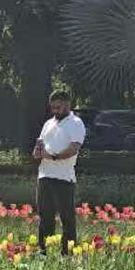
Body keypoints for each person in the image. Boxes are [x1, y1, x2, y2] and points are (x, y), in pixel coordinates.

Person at [32, 89, 86, 255]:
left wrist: (53, 156)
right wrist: (37, 152)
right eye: (53, 107)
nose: (55, 110)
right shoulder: (48, 123)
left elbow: (73, 149)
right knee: (45, 217)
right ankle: (44, 251)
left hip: (63, 178)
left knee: (67, 218)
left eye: (58, 107)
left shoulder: (76, 123)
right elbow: (40, 144)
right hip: (44, 176)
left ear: (67, 104)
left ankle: (67, 254)